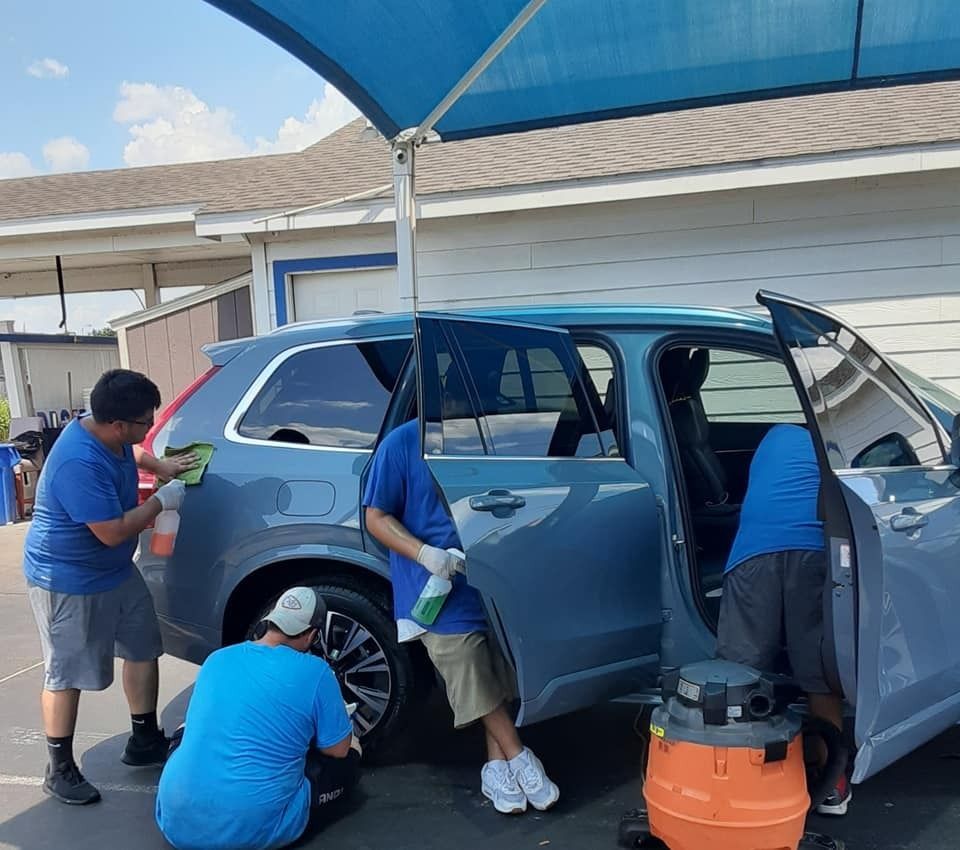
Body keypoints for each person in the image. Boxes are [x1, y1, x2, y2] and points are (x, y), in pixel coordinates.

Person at [363, 417, 559, 816]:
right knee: (466, 663)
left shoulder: (490, 436)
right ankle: (521, 756)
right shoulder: (402, 444)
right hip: (434, 585)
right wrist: (423, 553)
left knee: (499, 666)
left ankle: (496, 768)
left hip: (493, 573)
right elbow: (375, 516)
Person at [23, 368, 196, 805]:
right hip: (67, 578)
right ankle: (58, 767)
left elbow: (133, 455)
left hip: (116, 571)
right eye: (145, 422)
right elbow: (113, 531)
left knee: (143, 647)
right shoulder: (77, 461)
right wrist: (161, 502)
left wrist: (159, 464)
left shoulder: (106, 430)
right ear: (118, 424)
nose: (148, 428)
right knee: (67, 671)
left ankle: (144, 740)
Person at [155, 586, 360, 850]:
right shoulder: (316, 672)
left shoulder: (217, 659)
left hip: (175, 820)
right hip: (249, 830)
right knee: (350, 754)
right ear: (311, 635)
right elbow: (337, 749)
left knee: (187, 727)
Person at [716, 423, 850, 816]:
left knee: (736, 674)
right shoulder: (837, 441)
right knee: (819, 673)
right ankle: (832, 783)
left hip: (752, 554)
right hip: (814, 551)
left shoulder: (773, 438)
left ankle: (731, 780)